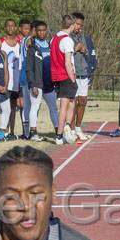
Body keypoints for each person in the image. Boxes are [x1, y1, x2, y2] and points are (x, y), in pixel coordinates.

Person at [50, 14, 82, 144]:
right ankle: (63, 131)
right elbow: (68, 62)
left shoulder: (54, 38)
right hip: (65, 75)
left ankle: (64, 130)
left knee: (68, 102)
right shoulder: (67, 40)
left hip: (56, 75)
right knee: (66, 104)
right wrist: (72, 78)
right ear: (72, 25)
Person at [27, 20, 58, 141]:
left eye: (43, 30)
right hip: (37, 83)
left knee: (53, 108)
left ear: (46, 31)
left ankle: (58, 131)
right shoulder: (32, 47)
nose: (41, 32)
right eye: (39, 30)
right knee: (35, 107)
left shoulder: (51, 46)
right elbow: (29, 68)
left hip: (49, 83)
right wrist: (33, 84)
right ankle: (33, 132)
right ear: (36, 31)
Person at [70, 16, 97, 141]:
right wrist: (77, 48)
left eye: (81, 25)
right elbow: (65, 54)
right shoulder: (67, 37)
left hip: (84, 73)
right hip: (72, 74)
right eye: (77, 24)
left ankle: (78, 128)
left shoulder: (85, 38)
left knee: (83, 101)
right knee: (73, 102)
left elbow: (91, 55)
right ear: (72, 23)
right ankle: (70, 129)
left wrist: (85, 51)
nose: (79, 27)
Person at [14, 18, 38, 139]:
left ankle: (26, 132)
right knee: (32, 104)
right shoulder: (29, 40)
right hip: (27, 72)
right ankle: (30, 132)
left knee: (27, 106)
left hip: (23, 73)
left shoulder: (23, 40)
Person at [0, 19, 23, 140]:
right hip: (4, 80)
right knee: (4, 107)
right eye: (8, 26)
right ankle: (1, 131)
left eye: (12, 26)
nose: (10, 28)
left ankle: (12, 132)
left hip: (16, 80)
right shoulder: (1, 42)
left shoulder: (20, 41)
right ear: (5, 28)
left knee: (13, 107)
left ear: (16, 28)